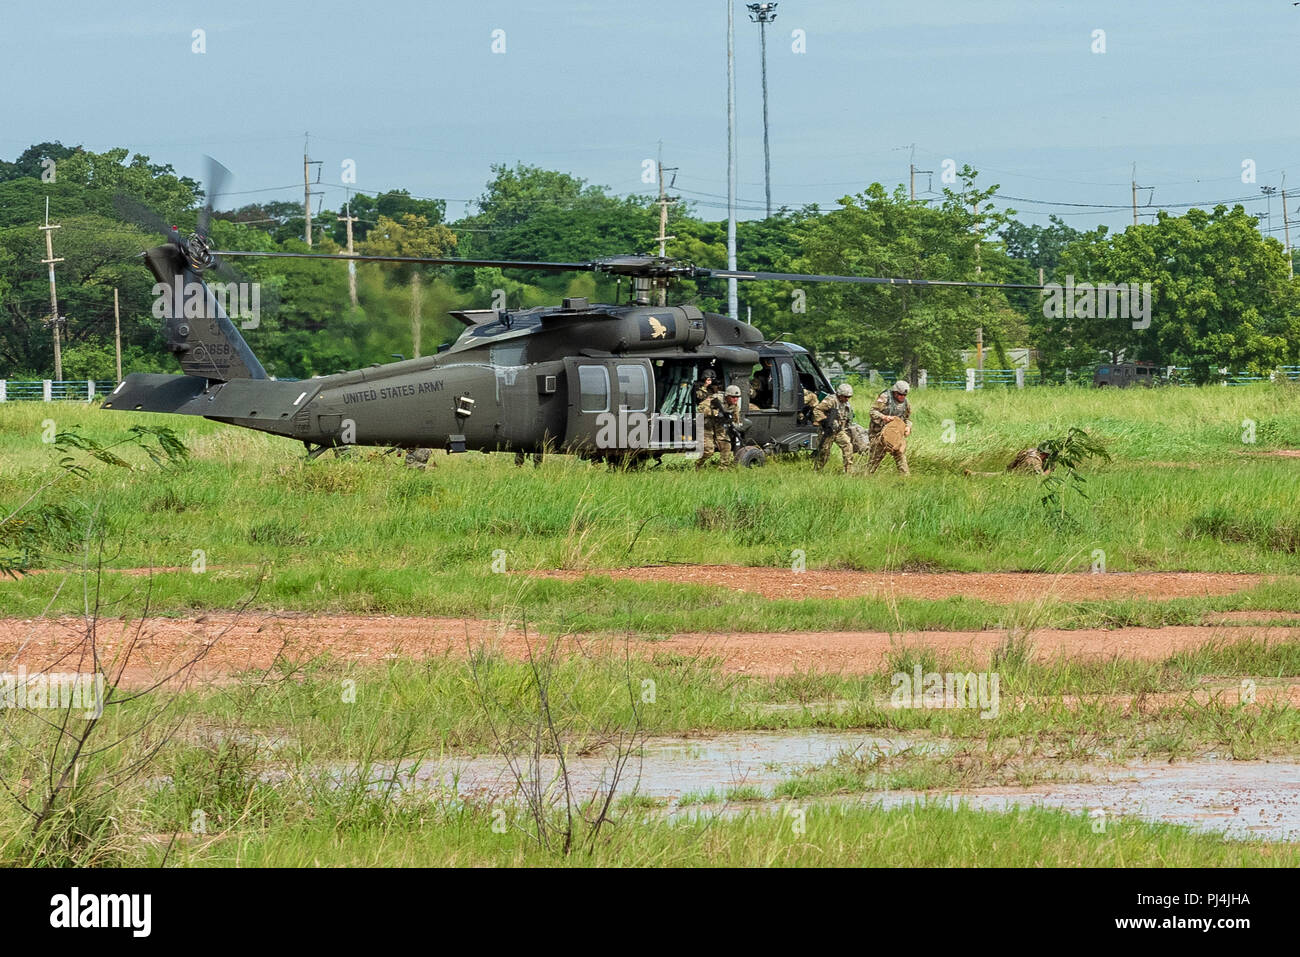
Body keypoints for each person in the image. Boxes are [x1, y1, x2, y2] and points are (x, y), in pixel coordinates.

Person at [866, 379, 912, 475]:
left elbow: (907, 419)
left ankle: (906, 477)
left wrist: (908, 427)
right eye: (900, 394)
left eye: (904, 395)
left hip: (894, 434)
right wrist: (884, 417)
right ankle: (866, 476)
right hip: (878, 432)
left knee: (899, 453)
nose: (902, 397)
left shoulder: (905, 403)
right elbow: (872, 412)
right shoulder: (885, 398)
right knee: (876, 456)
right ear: (895, 392)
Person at [696, 383, 742, 469]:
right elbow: (700, 408)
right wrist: (715, 413)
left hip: (719, 426)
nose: (735, 399)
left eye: (737, 397)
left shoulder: (734, 406)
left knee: (726, 446)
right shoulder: (716, 399)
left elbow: (736, 419)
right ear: (727, 396)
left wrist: (734, 426)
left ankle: (723, 468)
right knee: (709, 450)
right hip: (706, 426)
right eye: (733, 397)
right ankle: (698, 465)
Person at [812, 383, 855, 473]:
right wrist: (824, 421)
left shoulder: (846, 403)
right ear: (839, 395)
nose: (847, 399)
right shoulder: (830, 400)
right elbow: (817, 410)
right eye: (845, 396)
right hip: (827, 431)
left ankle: (849, 471)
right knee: (824, 452)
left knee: (848, 445)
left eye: (849, 397)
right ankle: (818, 470)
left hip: (839, 430)